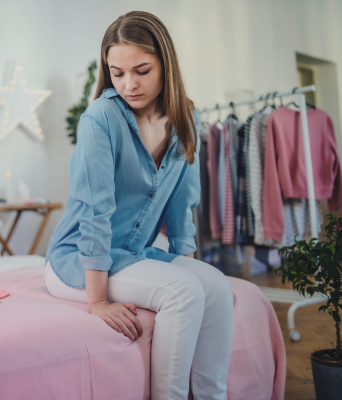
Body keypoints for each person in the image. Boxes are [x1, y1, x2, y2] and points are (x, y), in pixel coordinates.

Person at [45, 11, 234, 400]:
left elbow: (183, 208)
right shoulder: (100, 118)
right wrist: (97, 302)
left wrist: (189, 263)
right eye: (117, 73)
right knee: (183, 293)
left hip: (132, 254)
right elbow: (96, 215)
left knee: (212, 285)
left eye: (141, 70)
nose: (129, 84)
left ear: (166, 63)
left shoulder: (187, 120)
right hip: (77, 259)